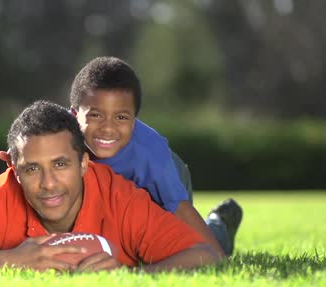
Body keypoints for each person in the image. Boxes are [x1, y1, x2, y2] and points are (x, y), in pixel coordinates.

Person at [0, 101, 222, 272]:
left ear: (85, 163)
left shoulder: (120, 198)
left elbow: (206, 255)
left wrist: (127, 275)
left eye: (61, 164)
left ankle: (218, 224)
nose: (48, 184)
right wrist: (9, 259)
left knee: (216, 237)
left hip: (170, 184)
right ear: (13, 170)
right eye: (32, 169)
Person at [68, 56, 243, 256]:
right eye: (96, 115)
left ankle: (219, 226)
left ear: (134, 120)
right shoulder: (56, 137)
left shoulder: (149, 153)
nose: (108, 128)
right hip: (114, 198)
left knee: (175, 243)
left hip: (165, 181)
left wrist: (217, 256)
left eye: (121, 117)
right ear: (74, 115)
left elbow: (181, 210)